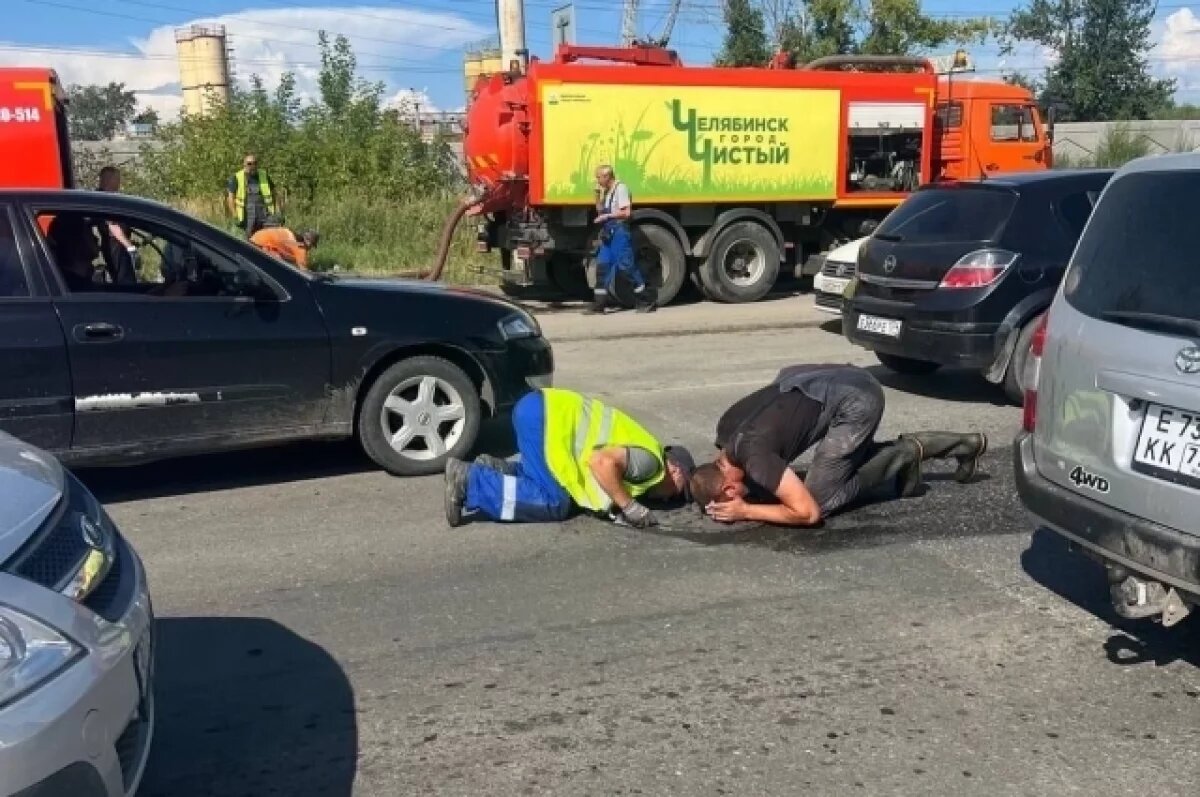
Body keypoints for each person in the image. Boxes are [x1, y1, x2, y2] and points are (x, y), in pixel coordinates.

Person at [689, 364, 987, 526]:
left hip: (856, 397)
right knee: (781, 486)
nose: (743, 497)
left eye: (735, 498)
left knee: (819, 499)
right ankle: (956, 447)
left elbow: (807, 514)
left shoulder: (754, 456)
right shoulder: (728, 432)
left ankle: (906, 453)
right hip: (823, 376)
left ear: (729, 490)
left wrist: (746, 512)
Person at [444, 387, 695, 528]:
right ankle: (470, 481)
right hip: (547, 418)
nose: (669, 499)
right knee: (555, 502)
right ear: (675, 470)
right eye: (676, 492)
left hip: (540, 408)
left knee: (549, 483)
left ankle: (498, 472)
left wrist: (616, 506)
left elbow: (600, 481)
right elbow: (601, 463)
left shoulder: (645, 457)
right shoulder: (652, 465)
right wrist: (631, 508)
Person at [588, 164, 653, 315]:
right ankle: (599, 305)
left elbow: (626, 213)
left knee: (626, 267)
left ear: (607, 176)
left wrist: (607, 216)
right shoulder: (608, 191)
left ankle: (646, 300)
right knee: (602, 267)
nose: (597, 180)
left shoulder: (621, 189)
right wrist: (597, 196)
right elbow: (600, 210)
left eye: (599, 177)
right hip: (608, 234)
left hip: (619, 232)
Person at [95, 165, 138, 284]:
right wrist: (129, 246)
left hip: (114, 245)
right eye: (117, 179)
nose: (119, 183)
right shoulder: (104, 199)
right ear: (109, 180)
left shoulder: (100, 197)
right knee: (125, 282)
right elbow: (112, 226)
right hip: (116, 247)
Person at [226, 153, 281, 238]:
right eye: (249, 163)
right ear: (244, 164)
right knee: (250, 241)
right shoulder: (237, 177)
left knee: (272, 237)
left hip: (265, 214)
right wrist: (235, 215)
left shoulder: (264, 175)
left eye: (255, 163)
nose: (253, 166)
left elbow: (275, 194)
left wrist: (278, 211)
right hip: (247, 216)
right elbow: (230, 198)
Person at [45, 214, 102, 292]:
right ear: (76, 240)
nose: (96, 238)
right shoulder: (79, 290)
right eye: (89, 231)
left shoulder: (62, 282)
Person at [250, 223, 319, 270]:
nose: (310, 249)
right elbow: (303, 272)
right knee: (280, 266)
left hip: (255, 237)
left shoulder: (291, 233)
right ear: (309, 242)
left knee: (282, 258)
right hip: (262, 244)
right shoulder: (301, 247)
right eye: (312, 245)